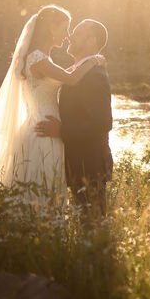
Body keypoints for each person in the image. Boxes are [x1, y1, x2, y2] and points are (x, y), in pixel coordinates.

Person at [0, 5, 104, 204]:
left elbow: (65, 74)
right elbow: (71, 78)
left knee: (47, 182)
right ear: (50, 29)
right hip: (43, 129)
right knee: (41, 181)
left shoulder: (43, 59)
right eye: (64, 28)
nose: (67, 35)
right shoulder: (37, 58)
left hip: (47, 125)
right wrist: (94, 60)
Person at [34, 19, 113, 215]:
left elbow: (102, 123)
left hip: (90, 164)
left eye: (77, 33)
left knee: (94, 223)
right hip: (77, 163)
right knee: (85, 222)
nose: (70, 36)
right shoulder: (80, 70)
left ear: (92, 41)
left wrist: (62, 131)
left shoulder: (94, 76)